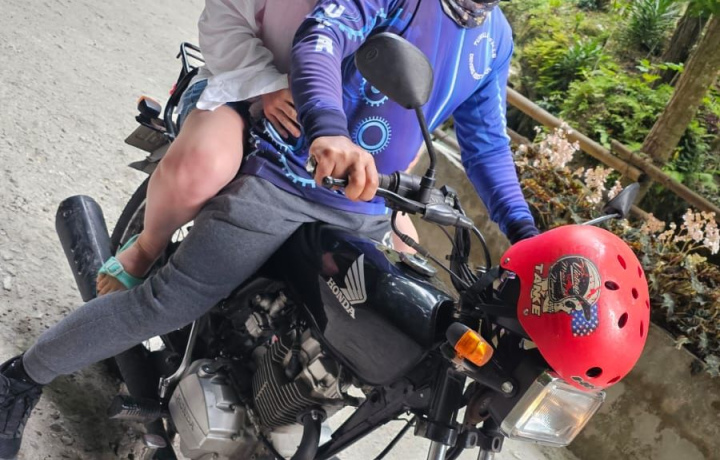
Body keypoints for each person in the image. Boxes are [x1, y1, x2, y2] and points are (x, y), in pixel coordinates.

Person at [0, 0, 539, 457]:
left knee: (375, 344)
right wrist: (328, 128)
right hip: (291, 171)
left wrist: (527, 236)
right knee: (166, 303)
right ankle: (20, 378)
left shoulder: (494, 38)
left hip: (367, 204)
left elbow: (488, 144)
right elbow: (321, 36)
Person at [95, 0, 420, 295]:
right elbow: (223, 18)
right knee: (205, 165)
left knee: (406, 255)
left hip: (345, 142)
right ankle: (146, 247)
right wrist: (266, 83)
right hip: (244, 90)